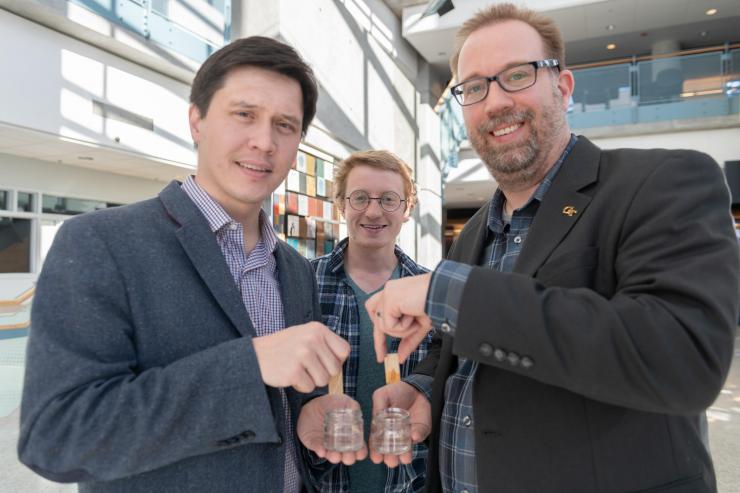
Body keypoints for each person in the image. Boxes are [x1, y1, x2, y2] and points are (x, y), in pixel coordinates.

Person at [365, 4, 740, 493]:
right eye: (474, 87)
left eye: (517, 75)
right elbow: (455, 342)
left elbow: (680, 358)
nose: (495, 101)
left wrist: (445, 291)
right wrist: (424, 388)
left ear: (563, 87)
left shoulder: (664, 182)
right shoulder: (477, 229)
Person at [18, 36, 350, 493]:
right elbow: (57, 436)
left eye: (285, 125)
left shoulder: (295, 268)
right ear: (197, 120)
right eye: (244, 114)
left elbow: (279, 404)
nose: (264, 141)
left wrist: (308, 412)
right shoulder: (101, 243)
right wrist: (248, 367)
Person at [304, 150, 431, 492]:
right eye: (360, 198)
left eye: (389, 199)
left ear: (407, 209)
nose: (373, 211)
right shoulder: (302, 282)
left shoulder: (430, 293)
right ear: (341, 205)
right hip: (320, 481)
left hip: (409, 480)